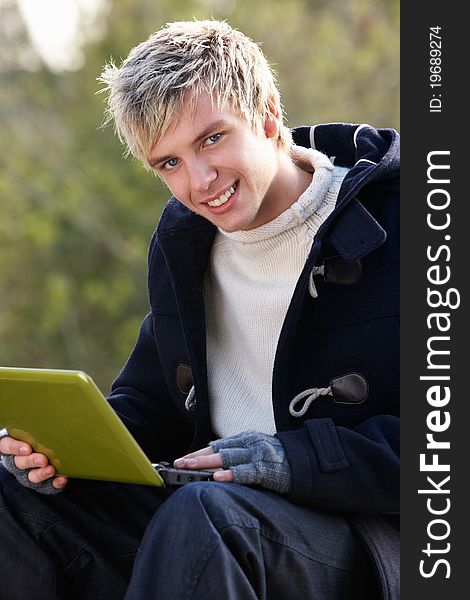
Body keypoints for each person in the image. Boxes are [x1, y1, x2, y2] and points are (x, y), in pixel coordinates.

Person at [0, 20, 399, 599]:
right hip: (205, 510)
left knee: (208, 516)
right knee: (12, 494)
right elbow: (152, 406)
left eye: (212, 139)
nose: (200, 181)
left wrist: (292, 459)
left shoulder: (412, 224)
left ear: (266, 115)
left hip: (362, 535)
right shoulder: (184, 244)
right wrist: (59, 449)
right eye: (169, 164)